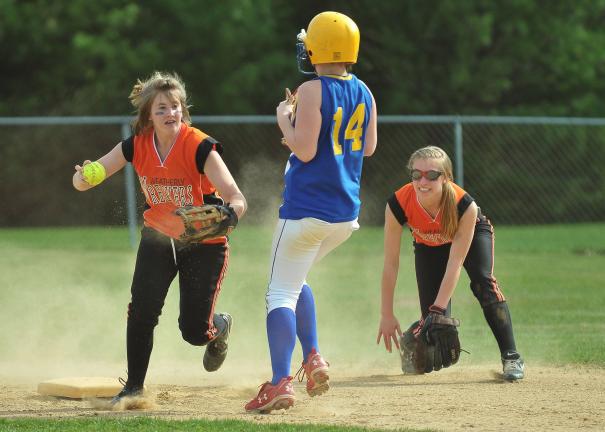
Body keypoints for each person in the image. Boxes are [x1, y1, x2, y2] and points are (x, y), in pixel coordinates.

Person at [72, 71, 247, 404]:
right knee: (141, 311)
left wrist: (229, 214)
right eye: (162, 108)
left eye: (176, 106)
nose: (171, 114)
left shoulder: (199, 146)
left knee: (193, 332)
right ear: (148, 116)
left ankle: (218, 327)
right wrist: (82, 178)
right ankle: (134, 387)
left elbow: (236, 197)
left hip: (203, 242)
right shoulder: (136, 145)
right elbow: (94, 173)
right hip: (159, 237)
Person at [245, 11, 378, 413]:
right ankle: (314, 356)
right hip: (343, 215)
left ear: (317, 48)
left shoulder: (311, 89)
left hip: (307, 209)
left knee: (278, 293)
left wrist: (284, 119)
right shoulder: (365, 91)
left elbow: (303, 149)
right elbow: (368, 147)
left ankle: (279, 382)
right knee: (295, 280)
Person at [376, 146, 525, 381]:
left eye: (432, 175)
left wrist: (438, 309)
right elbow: (390, 264)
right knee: (431, 324)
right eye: (416, 174)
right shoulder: (398, 203)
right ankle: (409, 339)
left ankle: (511, 357)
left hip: (471, 236)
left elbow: (455, 262)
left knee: (483, 283)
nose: (422, 181)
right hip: (429, 245)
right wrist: (386, 313)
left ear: (445, 177)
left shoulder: (464, 205)